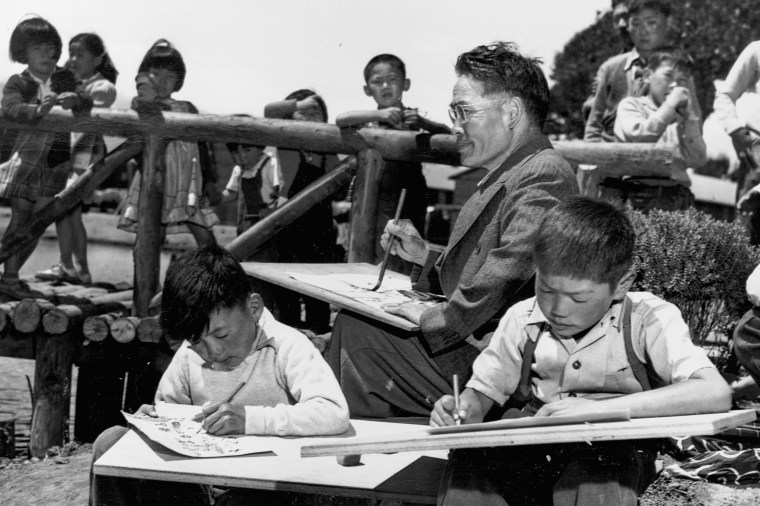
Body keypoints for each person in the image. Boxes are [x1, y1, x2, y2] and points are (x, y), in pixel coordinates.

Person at [327, 41, 578, 419]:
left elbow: (507, 272)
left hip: (497, 366)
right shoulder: (513, 171)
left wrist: (431, 317)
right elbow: (492, 261)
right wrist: (423, 254)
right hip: (478, 343)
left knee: (356, 332)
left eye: (464, 110)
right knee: (357, 324)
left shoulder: (543, 174)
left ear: (511, 112)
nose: (456, 124)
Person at [432, 196, 732, 506]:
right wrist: (464, 409)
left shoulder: (648, 319)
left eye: (578, 299)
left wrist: (595, 410)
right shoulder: (523, 318)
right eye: (546, 289)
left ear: (621, 284)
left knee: (595, 476)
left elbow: (714, 392)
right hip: (534, 444)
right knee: (469, 465)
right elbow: (483, 393)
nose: (557, 309)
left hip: (615, 448)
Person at [89, 245, 350, 506]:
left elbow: (332, 412)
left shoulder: (288, 345)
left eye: (222, 335)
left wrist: (250, 419)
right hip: (197, 485)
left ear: (254, 308)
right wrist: (153, 423)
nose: (213, 351)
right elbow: (171, 413)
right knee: (110, 442)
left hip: (261, 487)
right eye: (196, 340)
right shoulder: (189, 353)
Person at [336, 54, 451, 274]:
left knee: (407, 250)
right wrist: (380, 114)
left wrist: (422, 123)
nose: (386, 86)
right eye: (377, 82)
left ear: (405, 84)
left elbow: (447, 136)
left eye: (392, 79)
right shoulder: (367, 120)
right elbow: (341, 119)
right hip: (374, 195)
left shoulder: (413, 120)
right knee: (370, 251)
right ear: (367, 89)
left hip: (410, 194)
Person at [0, 16, 84, 299]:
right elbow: (10, 106)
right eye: (38, 49)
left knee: (39, 223)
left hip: (56, 159)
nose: (47, 55)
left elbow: (85, 101)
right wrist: (36, 110)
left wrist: (74, 99)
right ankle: (10, 278)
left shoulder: (64, 78)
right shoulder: (18, 81)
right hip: (25, 157)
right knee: (21, 216)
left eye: (51, 49)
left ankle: (9, 275)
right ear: (23, 52)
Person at [117, 39, 220, 247]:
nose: (162, 81)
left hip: (186, 179)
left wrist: (209, 181)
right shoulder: (142, 106)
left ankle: (216, 275)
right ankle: (146, 280)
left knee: (204, 234)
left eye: (170, 76)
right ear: (144, 76)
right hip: (154, 178)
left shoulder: (188, 109)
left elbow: (202, 147)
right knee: (152, 234)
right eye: (156, 73)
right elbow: (135, 138)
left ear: (178, 80)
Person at [35, 33, 118, 285]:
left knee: (65, 207)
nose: (73, 59)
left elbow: (102, 98)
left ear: (98, 59)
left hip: (87, 154)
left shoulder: (101, 85)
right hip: (69, 155)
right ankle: (75, 268)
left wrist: (76, 96)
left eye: (79, 55)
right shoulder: (72, 84)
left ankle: (72, 266)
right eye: (70, 54)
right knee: (69, 213)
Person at [264, 90, 341, 333]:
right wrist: (300, 102)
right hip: (288, 221)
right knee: (286, 282)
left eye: (315, 112)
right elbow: (269, 111)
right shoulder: (286, 141)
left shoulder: (328, 147)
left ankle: (318, 331)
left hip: (319, 225)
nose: (308, 116)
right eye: (302, 112)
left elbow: (340, 183)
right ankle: (288, 330)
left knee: (316, 284)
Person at [613, 47, 706, 211]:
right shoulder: (631, 106)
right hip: (640, 194)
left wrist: (690, 118)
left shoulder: (681, 117)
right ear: (648, 75)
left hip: (679, 195)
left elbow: (697, 159)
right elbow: (641, 137)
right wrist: (670, 106)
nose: (675, 85)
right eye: (668, 76)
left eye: (682, 80)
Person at [584, 0, 675, 143]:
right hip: (614, 154)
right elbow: (593, 125)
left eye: (650, 22)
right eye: (636, 22)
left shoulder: (676, 66)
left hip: (660, 153)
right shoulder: (611, 67)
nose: (622, 24)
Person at [218, 123, 284, 310]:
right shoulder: (238, 170)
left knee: (263, 272)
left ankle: (267, 311)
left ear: (260, 146)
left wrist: (272, 210)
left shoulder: (270, 164)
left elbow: (281, 193)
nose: (242, 157)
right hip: (244, 227)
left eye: (247, 150)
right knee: (243, 273)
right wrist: (215, 199)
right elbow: (230, 193)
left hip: (265, 229)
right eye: (236, 152)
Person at [714, 40, 760, 244]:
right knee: (746, 235)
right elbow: (725, 93)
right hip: (757, 156)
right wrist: (736, 132)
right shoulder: (757, 50)